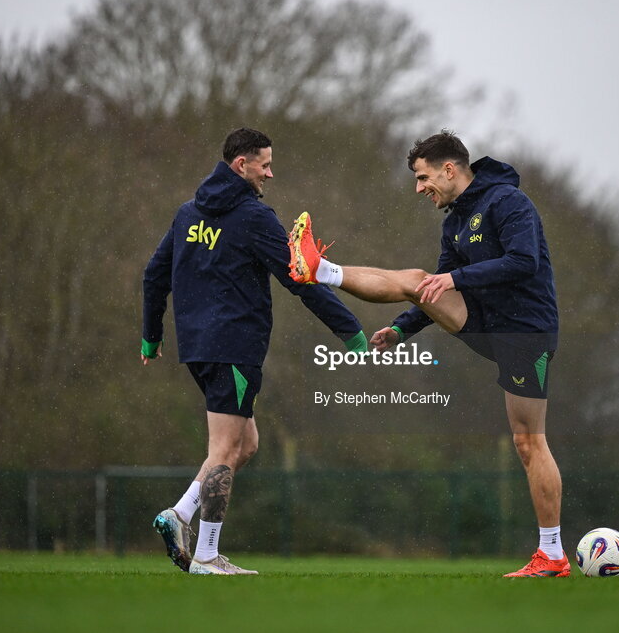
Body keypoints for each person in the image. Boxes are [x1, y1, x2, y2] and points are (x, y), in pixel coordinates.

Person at [288, 130, 567, 577]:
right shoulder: (454, 222)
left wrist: (456, 281)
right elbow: (434, 287)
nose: (420, 189)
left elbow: (524, 262)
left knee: (529, 441)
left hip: (526, 333)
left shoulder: (509, 204)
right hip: (485, 322)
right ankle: (319, 268)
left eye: (423, 178)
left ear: (449, 169)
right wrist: (401, 329)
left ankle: (552, 555)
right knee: (418, 279)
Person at [142, 128, 367, 575]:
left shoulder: (188, 214)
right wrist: (350, 329)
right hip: (234, 346)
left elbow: (154, 275)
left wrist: (152, 335)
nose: (270, 172)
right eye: (264, 164)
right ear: (240, 165)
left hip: (198, 347)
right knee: (225, 448)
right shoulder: (253, 217)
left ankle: (181, 514)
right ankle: (205, 555)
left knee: (247, 444)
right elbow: (298, 279)